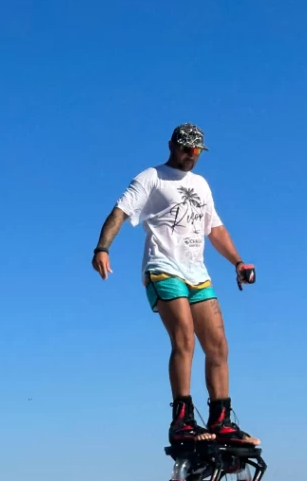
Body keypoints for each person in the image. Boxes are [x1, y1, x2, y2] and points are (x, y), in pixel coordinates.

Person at [91, 122, 260, 446]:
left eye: (196, 151)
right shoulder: (151, 177)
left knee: (218, 345)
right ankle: (182, 420)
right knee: (184, 336)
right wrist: (102, 247)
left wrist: (238, 262)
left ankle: (221, 419)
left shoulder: (201, 184)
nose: (190, 156)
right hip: (163, 268)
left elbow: (216, 230)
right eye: (185, 148)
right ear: (171, 145)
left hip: (198, 274)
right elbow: (119, 213)